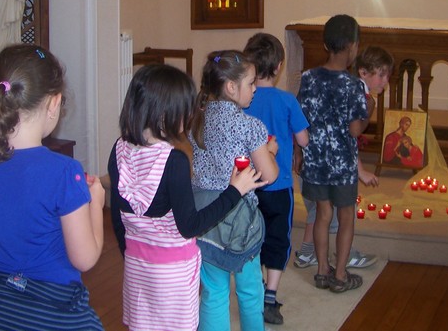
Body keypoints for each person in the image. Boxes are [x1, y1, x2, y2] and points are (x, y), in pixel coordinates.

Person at [108, 64, 265, 331]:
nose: (189, 115)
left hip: (137, 266)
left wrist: (131, 255)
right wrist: (235, 191)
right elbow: (190, 226)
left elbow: (116, 217)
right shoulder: (174, 161)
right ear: (167, 113)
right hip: (174, 273)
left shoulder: (120, 149)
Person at [0, 45, 105, 330]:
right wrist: (95, 206)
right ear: (54, 103)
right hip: (55, 315)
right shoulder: (65, 171)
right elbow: (85, 258)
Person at [189, 50, 279, 331]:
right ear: (231, 87)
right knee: (250, 290)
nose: (254, 90)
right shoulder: (249, 125)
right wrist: (271, 152)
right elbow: (269, 175)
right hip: (238, 219)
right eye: (251, 83)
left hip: (204, 215)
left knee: (213, 292)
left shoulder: (197, 121)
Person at [298, 15, 374, 293]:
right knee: (346, 216)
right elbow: (355, 130)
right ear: (353, 46)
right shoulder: (352, 85)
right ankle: (340, 274)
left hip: (315, 161)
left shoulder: (308, 78)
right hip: (342, 165)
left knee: (322, 215)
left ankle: (321, 271)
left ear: (325, 44)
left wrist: (299, 153)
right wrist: (369, 112)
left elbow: (300, 118)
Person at [242, 33, 309, 325]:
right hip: (279, 184)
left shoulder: (243, 99)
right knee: (278, 238)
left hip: (248, 184)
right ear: (279, 65)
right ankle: (270, 295)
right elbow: (304, 141)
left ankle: (253, 290)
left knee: (251, 236)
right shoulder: (287, 100)